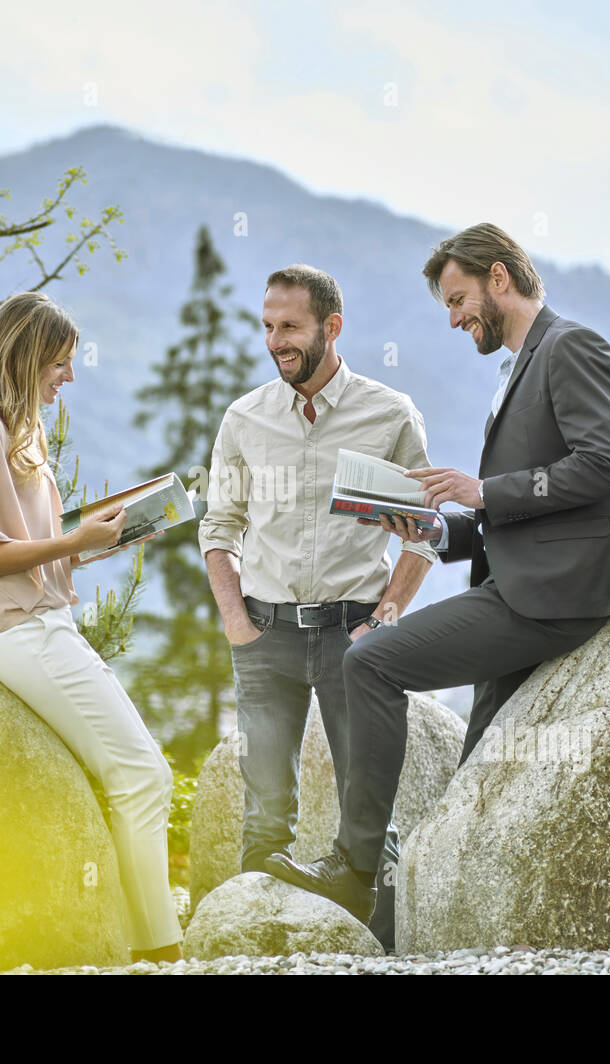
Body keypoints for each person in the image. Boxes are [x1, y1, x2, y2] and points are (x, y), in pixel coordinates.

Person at [266, 223, 610, 925]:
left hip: (558, 596)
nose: (453, 318)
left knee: (373, 660)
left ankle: (354, 869)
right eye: (447, 305)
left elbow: (606, 468)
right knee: (475, 771)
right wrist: (434, 528)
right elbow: (518, 510)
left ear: (499, 278)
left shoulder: (572, 349)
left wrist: (482, 491)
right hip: (526, 584)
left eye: (459, 298)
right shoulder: (521, 365)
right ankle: (397, 918)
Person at [0, 290, 183, 964]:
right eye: (61, 363)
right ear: (27, 357)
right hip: (16, 631)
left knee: (138, 775)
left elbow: (17, 538)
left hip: (38, 623)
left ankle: (149, 941)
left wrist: (95, 540)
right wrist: (69, 546)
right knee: (142, 776)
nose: (70, 375)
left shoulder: (16, 427)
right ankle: (161, 952)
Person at [199, 264, 441, 952]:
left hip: (353, 636)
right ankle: (256, 954)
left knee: (370, 819)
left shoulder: (389, 414)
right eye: (268, 326)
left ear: (331, 328)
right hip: (264, 634)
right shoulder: (244, 418)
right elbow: (219, 529)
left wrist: (387, 614)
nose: (276, 341)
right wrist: (236, 625)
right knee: (263, 822)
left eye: (291, 328)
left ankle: (384, 957)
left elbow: (426, 531)